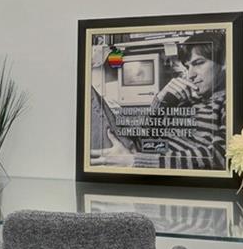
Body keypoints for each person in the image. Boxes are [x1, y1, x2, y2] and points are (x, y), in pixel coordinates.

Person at [91, 34, 227, 170]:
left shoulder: (226, 103)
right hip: (137, 153)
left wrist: (136, 161)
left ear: (224, 63)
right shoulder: (188, 100)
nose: (190, 75)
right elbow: (150, 139)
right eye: (187, 67)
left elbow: (220, 156)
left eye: (198, 63)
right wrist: (161, 100)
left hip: (142, 163)